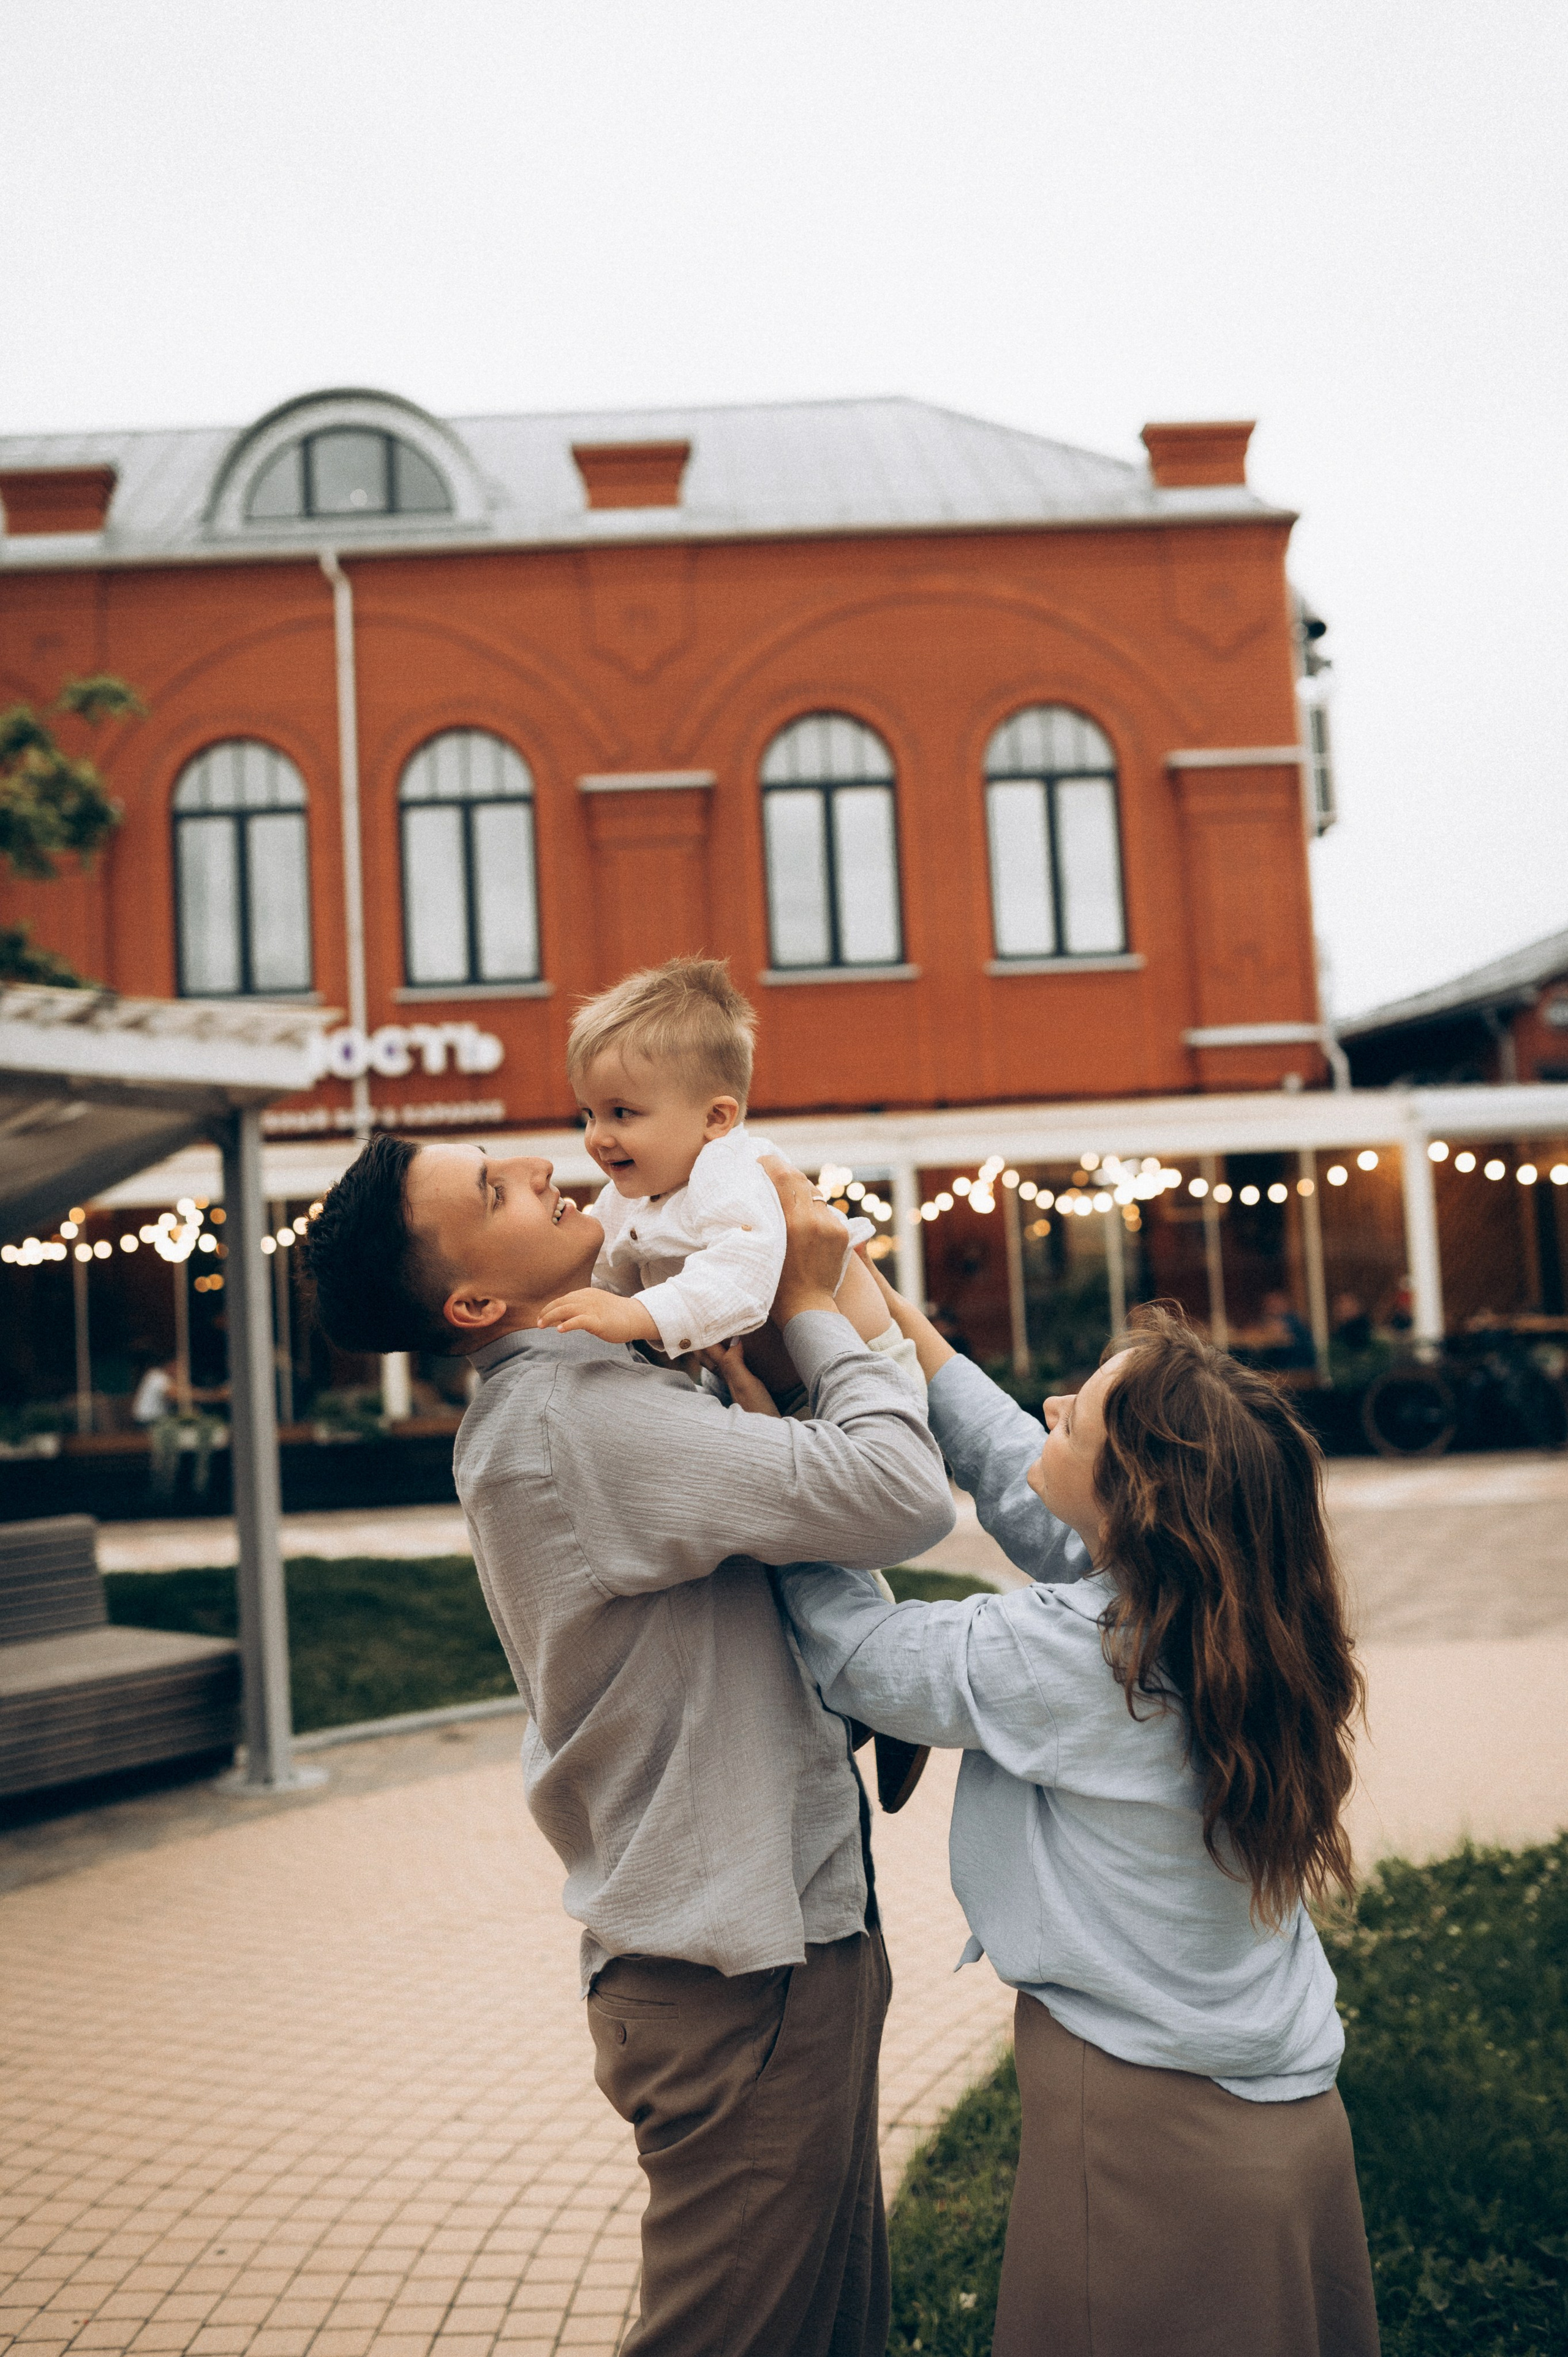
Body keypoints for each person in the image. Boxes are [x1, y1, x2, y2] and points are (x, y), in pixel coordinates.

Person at [300, 1134, 954, 2357]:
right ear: (475, 1303)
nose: (542, 1166)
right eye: (492, 1190)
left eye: (500, 1157)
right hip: (738, 1982)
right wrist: (814, 1308)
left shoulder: (589, 1383)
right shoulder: (579, 1416)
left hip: (764, 1952)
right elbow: (902, 1494)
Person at [772, 1281, 1379, 2357]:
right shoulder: (1228, 1613)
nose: (1048, 1403)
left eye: (1077, 1415)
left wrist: (785, 1470)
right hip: (1283, 2124)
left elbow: (855, 1652)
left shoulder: (1078, 1655)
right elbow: (1018, 1467)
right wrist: (872, 1299)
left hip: (1152, 2134)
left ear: (1134, 1500)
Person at [535, 956, 872, 1356]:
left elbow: (742, 1271)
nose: (599, 1137)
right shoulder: (621, 1199)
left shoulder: (729, 1168)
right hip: (779, 1382)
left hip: (870, 1359)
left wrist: (637, 1315)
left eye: (621, 1113)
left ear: (715, 1118)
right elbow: (608, 1282)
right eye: (590, 1114)